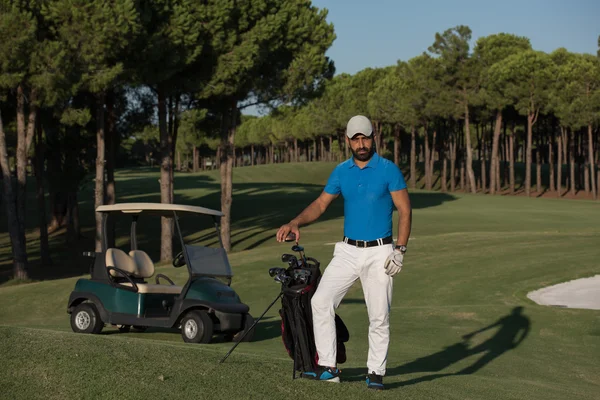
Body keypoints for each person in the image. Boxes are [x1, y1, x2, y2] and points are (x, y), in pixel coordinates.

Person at [276, 115, 412, 390]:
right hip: (348, 251)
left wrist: (400, 249)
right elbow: (321, 204)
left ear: (374, 137)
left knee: (379, 315)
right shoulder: (341, 171)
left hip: (380, 251)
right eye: (356, 139)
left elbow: (405, 210)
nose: (361, 144)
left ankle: (375, 372)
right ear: (348, 141)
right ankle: (329, 366)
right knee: (320, 302)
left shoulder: (388, 169)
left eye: (365, 137)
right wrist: (296, 222)